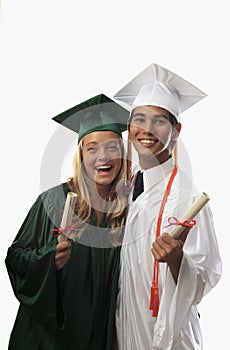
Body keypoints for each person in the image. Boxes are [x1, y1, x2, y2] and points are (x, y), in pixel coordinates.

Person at [5, 94, 130, 350]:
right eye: (92, 148)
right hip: (52, 337)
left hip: (101, 336)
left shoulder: (131, 209)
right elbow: (15, 258)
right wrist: (47, 258)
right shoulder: (54, 200)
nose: (102, 156)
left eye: (111, 147)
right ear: (81, 155)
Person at [113, 63, 222, 350]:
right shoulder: (129, 186)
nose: (147, 129)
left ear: (177, 130)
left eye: (159, 121)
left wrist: (177, 260)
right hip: (126, 327)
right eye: (139, 119)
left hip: (167, 335)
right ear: (129, 127)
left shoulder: (187, 198)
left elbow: (204, 278)